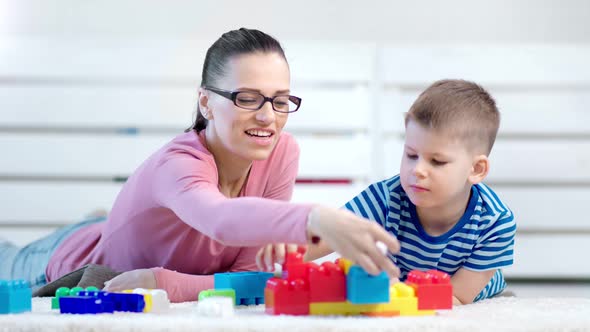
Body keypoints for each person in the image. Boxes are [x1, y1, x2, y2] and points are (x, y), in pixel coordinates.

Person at [0, 28, 401, 302]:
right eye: (247, 98)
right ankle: (100, 225)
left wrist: (169, 282)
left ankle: (109, 221)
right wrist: (318, 219)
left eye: (280, 100)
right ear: (206, 102)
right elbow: (220, 219)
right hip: (70, 265)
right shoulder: (178, 164)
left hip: (129, 244)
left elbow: (253, 275)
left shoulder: (281, 153)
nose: (268, 117)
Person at [260, 79, 516, 305]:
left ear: (477, 169)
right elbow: (329, 235)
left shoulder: (495, 222)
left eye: (437, 161)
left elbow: (457, 298)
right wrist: (285, 252)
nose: (418, 170)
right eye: (411, 155)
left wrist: (393, 290)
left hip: (479, 298)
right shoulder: (386, 198)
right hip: (399, 288)